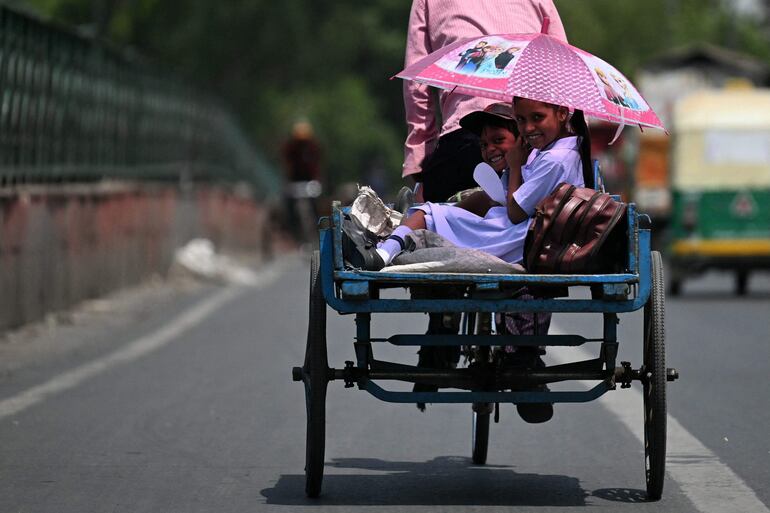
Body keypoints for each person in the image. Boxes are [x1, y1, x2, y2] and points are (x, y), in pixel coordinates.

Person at [345, 98, 593, 422]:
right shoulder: (551, 154)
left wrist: (514, 165)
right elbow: (492, 198)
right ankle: (400, 239)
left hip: (514, 239)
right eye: (523, 120)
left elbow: (514, 209)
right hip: (516, 233)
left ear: (562, 114)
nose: (529, 128)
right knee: (431, 213)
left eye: (536, 119)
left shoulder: (551, 159)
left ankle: (381, 253)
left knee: (425, 215)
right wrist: (447, 209)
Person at [402, 0, 567, 203]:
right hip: (529, 136)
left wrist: (420, 160)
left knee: (430, 214)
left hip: (463, 135)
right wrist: (571, 142)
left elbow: (417, 83)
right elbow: (563, 66)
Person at [281, 120, 322, 243]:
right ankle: (291, 226)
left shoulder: (313, 147)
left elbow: (317, 166)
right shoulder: (291, 148)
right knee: (289, 203)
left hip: (310, 182)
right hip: (295, 182)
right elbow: (287, 165)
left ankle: (318, 224)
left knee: (315, 204)